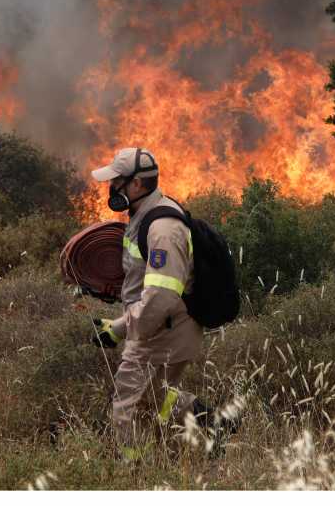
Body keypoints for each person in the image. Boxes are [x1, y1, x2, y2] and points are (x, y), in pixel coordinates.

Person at [90, 147, 214, 462]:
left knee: (126, 407)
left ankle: (134, 470)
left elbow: (161, 298)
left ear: (136, 185)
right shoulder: (144, 214)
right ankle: (214, 422)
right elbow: (145, 277)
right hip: (161, 326)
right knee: (156, 396)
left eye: (117, 181)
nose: (111, 188)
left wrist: (118, 328)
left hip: (160, 331)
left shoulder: (162, 228)